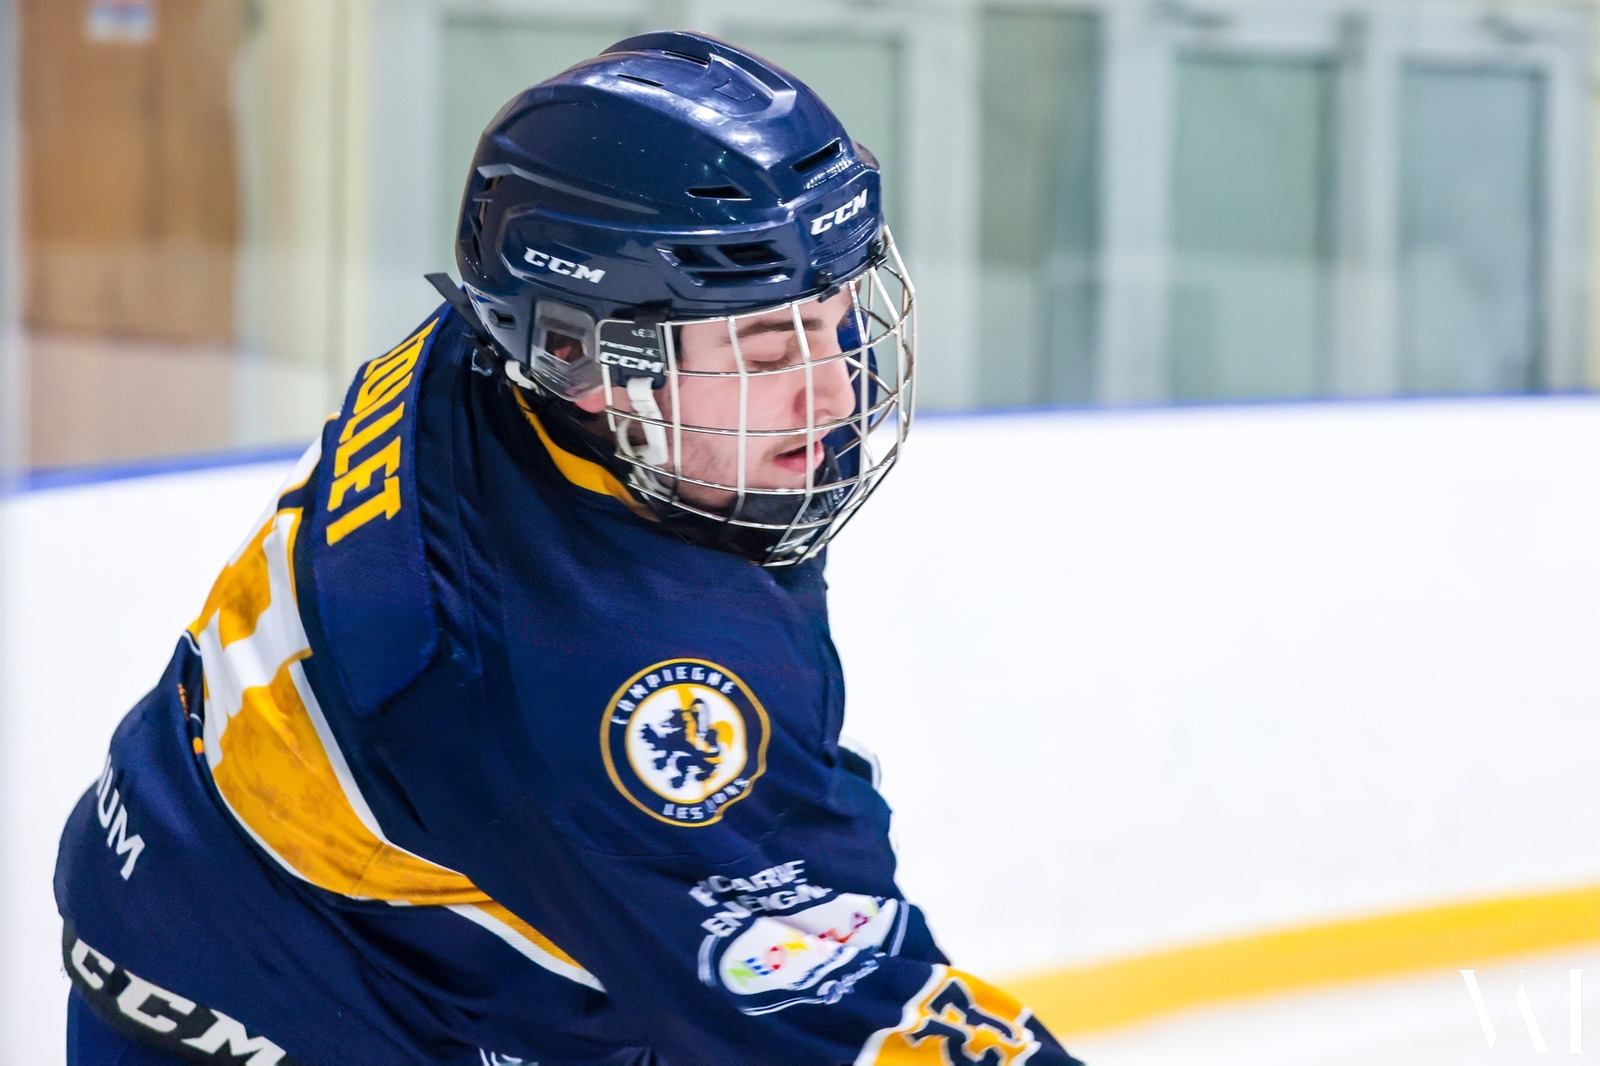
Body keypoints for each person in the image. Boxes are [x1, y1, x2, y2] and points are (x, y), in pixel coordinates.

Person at [54, 31, 1086, 1066]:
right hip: (290, 1007)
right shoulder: (588, 678)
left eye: (836, 316)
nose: (833, 390)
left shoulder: (518, 368)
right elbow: (846, 1016)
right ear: (577, 358)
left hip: (246, 879)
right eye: (766, 349)